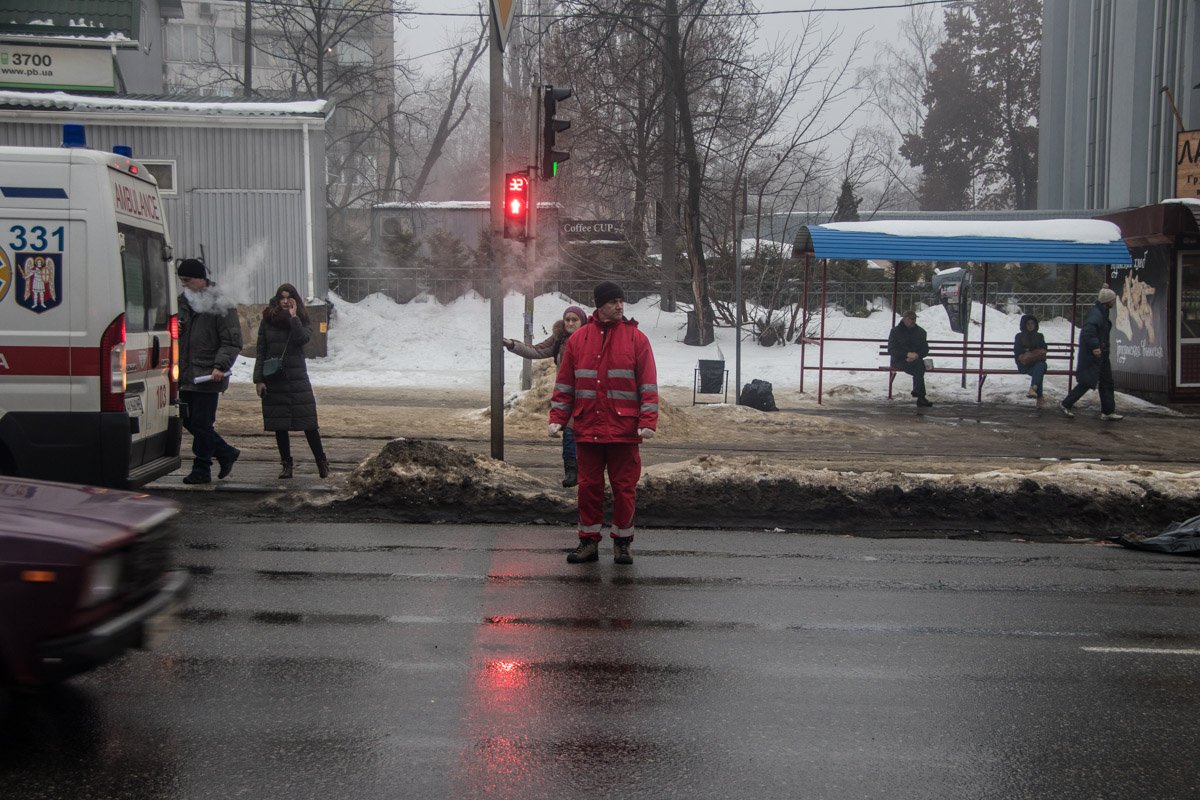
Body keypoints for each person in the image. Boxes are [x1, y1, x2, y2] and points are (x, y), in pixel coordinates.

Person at [549, 281, 658, 565]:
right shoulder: (578, 339)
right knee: (588, 488)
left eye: (622, 301)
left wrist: (648, 420)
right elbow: (565, 385)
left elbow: (648, 385)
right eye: (613, 301)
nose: (620, 306)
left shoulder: (637, 339)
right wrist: (558, 418)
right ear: (600, 305)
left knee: (625, 489)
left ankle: (623, 543)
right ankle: (588, 542)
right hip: (588, 429)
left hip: (624, 430)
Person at [503, 305, 587, 487]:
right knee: (569, 431)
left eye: (575, 320)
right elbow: (536, 350)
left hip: (589, 393)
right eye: (568, 319)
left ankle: (586, 472)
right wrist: (512, 344)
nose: (571, 323)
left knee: (585, 434)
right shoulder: (560, 339)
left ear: (583, 322)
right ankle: (572, 472)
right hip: (568, 393)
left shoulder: (592, 339)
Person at [177, 258, 242, 484]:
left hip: (208, 373)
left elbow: (232, 341)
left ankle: (202, 468)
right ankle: (225, 452)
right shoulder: (182, 303)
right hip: (186, 373)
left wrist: (220, 365)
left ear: (201, 279)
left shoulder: (220, 304)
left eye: (188, 280)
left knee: (201, 424)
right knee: (187, 420)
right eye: (181, 280)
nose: (184, 285)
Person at [254, 284, 329, 479]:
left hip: (297, 378)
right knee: (280, 425)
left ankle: (321, 461)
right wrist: (258, 379)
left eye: (289, 297)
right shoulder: (267, 320)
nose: (286, 301)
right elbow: (261, 350)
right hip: (274, 378)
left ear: (295, 299)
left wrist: (294, 317)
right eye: (282, 297)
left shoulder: (301, 319)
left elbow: (302, 339)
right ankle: (286, 465)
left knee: (309, 423)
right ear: (277, 299)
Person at [1061, 286, 1123, 421]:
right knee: (1087, 382)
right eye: (1113, 300)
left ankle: (1108, 411)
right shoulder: (1097, 314)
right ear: (1108, 301)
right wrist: (1095, 347)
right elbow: (1088, 332)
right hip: (1095, 355)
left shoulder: (1101, 312)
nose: (1114, 302)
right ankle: (1066, 403)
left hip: (1102, 353)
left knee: (1106, 382)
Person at [888, 310, 933, 408]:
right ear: (904, 319)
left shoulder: (921, 332)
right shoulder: (895, 331)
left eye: (914, 318)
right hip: (899, 361)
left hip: (916, 360)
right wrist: (906, 355)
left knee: (919, 365)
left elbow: (925, 349)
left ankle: (919, 394)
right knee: (920, 367)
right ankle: (921, 397)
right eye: (910, 319)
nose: (913, 321)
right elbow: (891, 350)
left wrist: (916, 355)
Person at [1013, 314, 1048, 405]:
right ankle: (1039, 397)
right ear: (1024, 325)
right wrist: (1035, 350)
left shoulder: (1040, 336)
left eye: (1032, 323)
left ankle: (1033, 388)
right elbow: (1017, 350)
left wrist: (1028, 350)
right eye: (1028, 324)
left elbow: (1044, 348)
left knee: (1040, 367)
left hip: (1038, 363)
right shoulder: (1019, 336)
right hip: (1025, 364)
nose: (1031, 325)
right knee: (1040, 370)